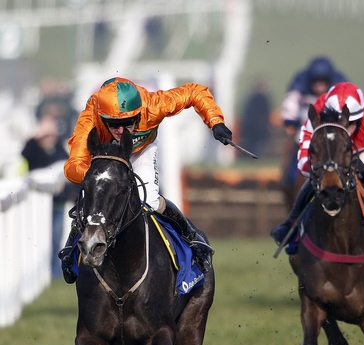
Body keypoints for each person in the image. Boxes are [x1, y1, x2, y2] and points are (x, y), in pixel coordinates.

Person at [59, 76, 235, 283]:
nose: (121, 131)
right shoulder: (89, 118)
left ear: (140, 113)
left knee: (149, 201)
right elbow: (72, 166)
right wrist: (99, 176)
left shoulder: (153, 104)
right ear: (101, 116)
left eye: (128, 123)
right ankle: (72, 247)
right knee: (96, 197)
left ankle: (192, 237)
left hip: (140, 151)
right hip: (105, 158)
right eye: (114, 124)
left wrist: (215, 121)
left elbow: (195, 92)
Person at [271, 82, 364, 253]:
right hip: (332, 150)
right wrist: (319, 168)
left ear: (359, 119)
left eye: (348, 124)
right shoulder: (317, 115)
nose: (343, 130)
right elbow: (304, 164)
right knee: (314, 180)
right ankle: (291, 225)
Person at [21, 115, 80, 278]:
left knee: (56, 240)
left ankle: (54, 272)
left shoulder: (59, 150)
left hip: (58, 203)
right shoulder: (32, 149)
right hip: (37, 205)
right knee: (40, 241)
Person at [279, 57, 347, 187]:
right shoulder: (300, 83)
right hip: (305, 130)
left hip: (333, 132)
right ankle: (290, 181)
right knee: (292, 162)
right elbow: (290, 103)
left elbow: (349, 106)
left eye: (323, 83)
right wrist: (290, 122)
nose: (319, 87)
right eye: (316, 82)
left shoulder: (340, 86)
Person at [238, 79, 273, 158]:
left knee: (250, 142)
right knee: (255, 142)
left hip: (249, 124)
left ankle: (246, 156)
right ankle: (251, 156)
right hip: (256, 126)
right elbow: (265, 112)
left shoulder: (251, 97)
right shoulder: (261, 97)